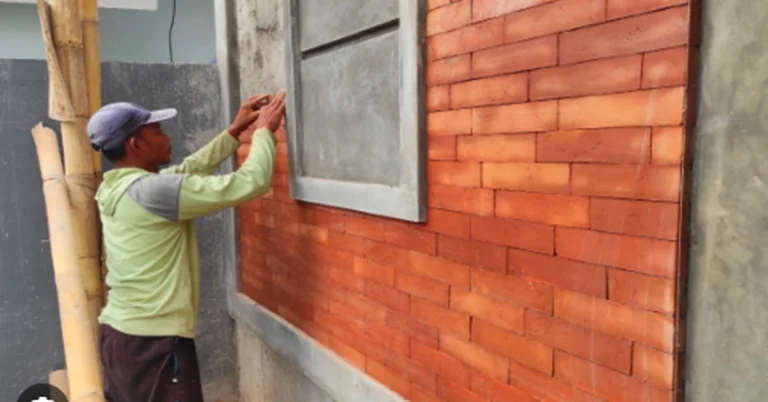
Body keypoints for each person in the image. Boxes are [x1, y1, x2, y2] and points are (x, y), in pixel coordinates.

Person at [87, 90, 287, 402]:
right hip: (155, 344)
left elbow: (186, 171)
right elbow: (251, 182)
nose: (168, 138)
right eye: (158, 132)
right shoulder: (153, 191)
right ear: (136, 144)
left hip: (119, 338)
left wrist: (234, 132)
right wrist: (263, 132)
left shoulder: (115, 187)